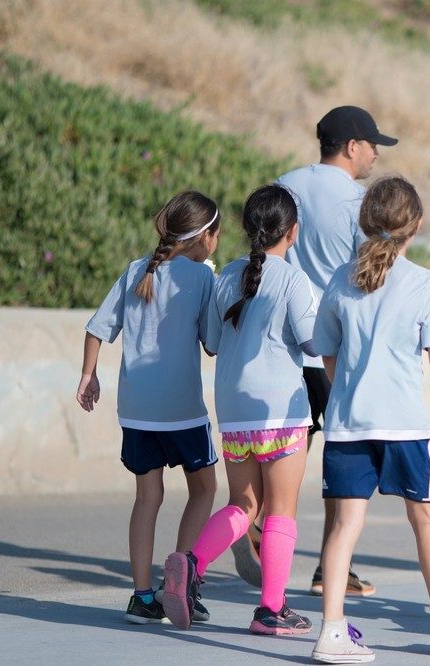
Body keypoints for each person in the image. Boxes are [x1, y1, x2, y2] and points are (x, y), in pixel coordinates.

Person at [310, 176, 430, 662]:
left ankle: (330, 631)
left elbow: (326, 354)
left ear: (366, 221)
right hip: (405, 425)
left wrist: (348, 384)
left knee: (344, 525)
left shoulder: (341, 278)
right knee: (425, 520)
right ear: (417, 226)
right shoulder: (428, 284)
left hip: (347, 422)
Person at [225, 106, 398, 596]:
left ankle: (253, 529)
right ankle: (329, 567)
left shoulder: (284, 184)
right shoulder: (357, 202)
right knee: (340, 455)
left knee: (270, 452)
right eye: (372, 144)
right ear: (350, 146)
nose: (376, 153)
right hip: (325, 347)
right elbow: (372, 274)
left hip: (276, 349)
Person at [160, 184, 319, 635]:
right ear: (292, 232)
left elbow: (211, 342)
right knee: (281, 512)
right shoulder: (293, 279)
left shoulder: (226, 275)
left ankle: (190, 562)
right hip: (281, 415)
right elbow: (312, 344)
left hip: (234, 413)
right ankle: (271, 609)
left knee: (243, 505)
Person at [76, 191, 220, 624]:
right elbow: (211, 344)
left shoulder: (136, 270)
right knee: (205, 489)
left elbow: (97, 329)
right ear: (204, 238)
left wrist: (88, 374)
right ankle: (183, 579)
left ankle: (142, 597)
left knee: (147, 497)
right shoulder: (202, 278)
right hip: (183, 410)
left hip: (136, 410)